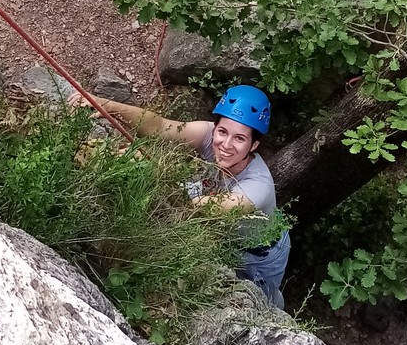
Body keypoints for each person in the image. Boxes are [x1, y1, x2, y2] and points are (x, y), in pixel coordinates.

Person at [95, 84, 291, 307]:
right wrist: (107, 105)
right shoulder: (210, 135)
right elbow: (160, 126)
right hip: (225, 231)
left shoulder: (258, 187)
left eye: (239, 138)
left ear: (253, 145)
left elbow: (203, 207)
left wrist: (153, 169)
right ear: (215, 128)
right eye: (222, 132)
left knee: (265, 303)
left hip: (260, 254)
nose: (226, 145)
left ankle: (280, 304)